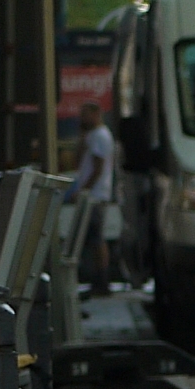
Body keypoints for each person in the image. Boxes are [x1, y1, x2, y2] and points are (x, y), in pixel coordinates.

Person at [66, 102, 119, 295]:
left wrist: (83, 190)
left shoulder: (100, 136)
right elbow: (78, 160)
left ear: (96, 114)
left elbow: (97, 168)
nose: (82, 118)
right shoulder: (91, 136)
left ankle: (102, 279)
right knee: (90, 237)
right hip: (92, 193)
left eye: (85, 114)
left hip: (95, 195)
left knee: (97, 238)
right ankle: (97, 279)